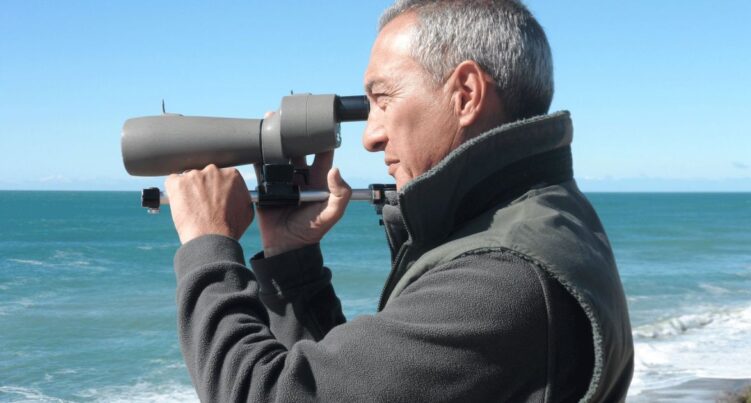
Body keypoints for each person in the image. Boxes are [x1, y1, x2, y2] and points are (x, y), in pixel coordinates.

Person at [165, 1, 634, 402]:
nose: (370, 136)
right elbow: (338, 387)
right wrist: (291, 263)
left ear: (465, 94)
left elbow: (266, 393)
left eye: (383, 99)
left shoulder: (502, 279)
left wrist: (208, 245)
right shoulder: (535, 223)